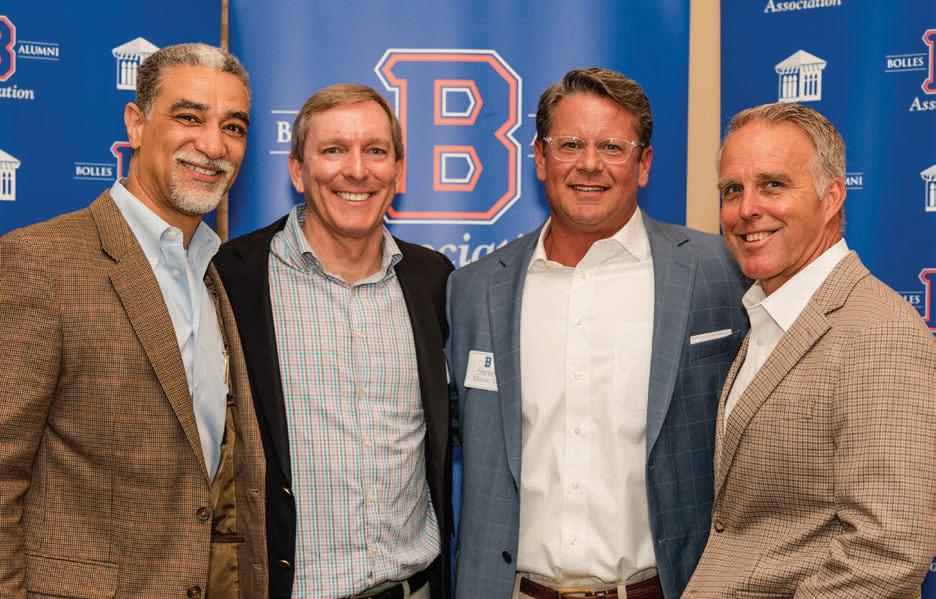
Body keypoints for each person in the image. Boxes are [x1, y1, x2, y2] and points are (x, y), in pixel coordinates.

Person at [448, 67, 749, 599]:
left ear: (644, 163)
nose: (589, 164)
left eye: (612, 146)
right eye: (570, 145)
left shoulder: (720, 271)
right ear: (540, 158)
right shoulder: (473, 289)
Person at [0, 43, 266, 598]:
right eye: (189, 117)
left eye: (233, 127)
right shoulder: (42, 260)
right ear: (136, 123)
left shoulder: (216, 275)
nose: (213, 145)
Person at [683, 102, 936, 598]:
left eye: (773, 184)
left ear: (831, 197)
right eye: (732, 189)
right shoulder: (771, 314)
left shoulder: (879, 334)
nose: (746, 209)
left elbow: (888, 552)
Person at [214, 83, 453, 599]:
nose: (357, 170)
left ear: (399, 171)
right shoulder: (233, 276)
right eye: (334, 150)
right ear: (297, 171)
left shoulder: (433, 279)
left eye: (376, 151)